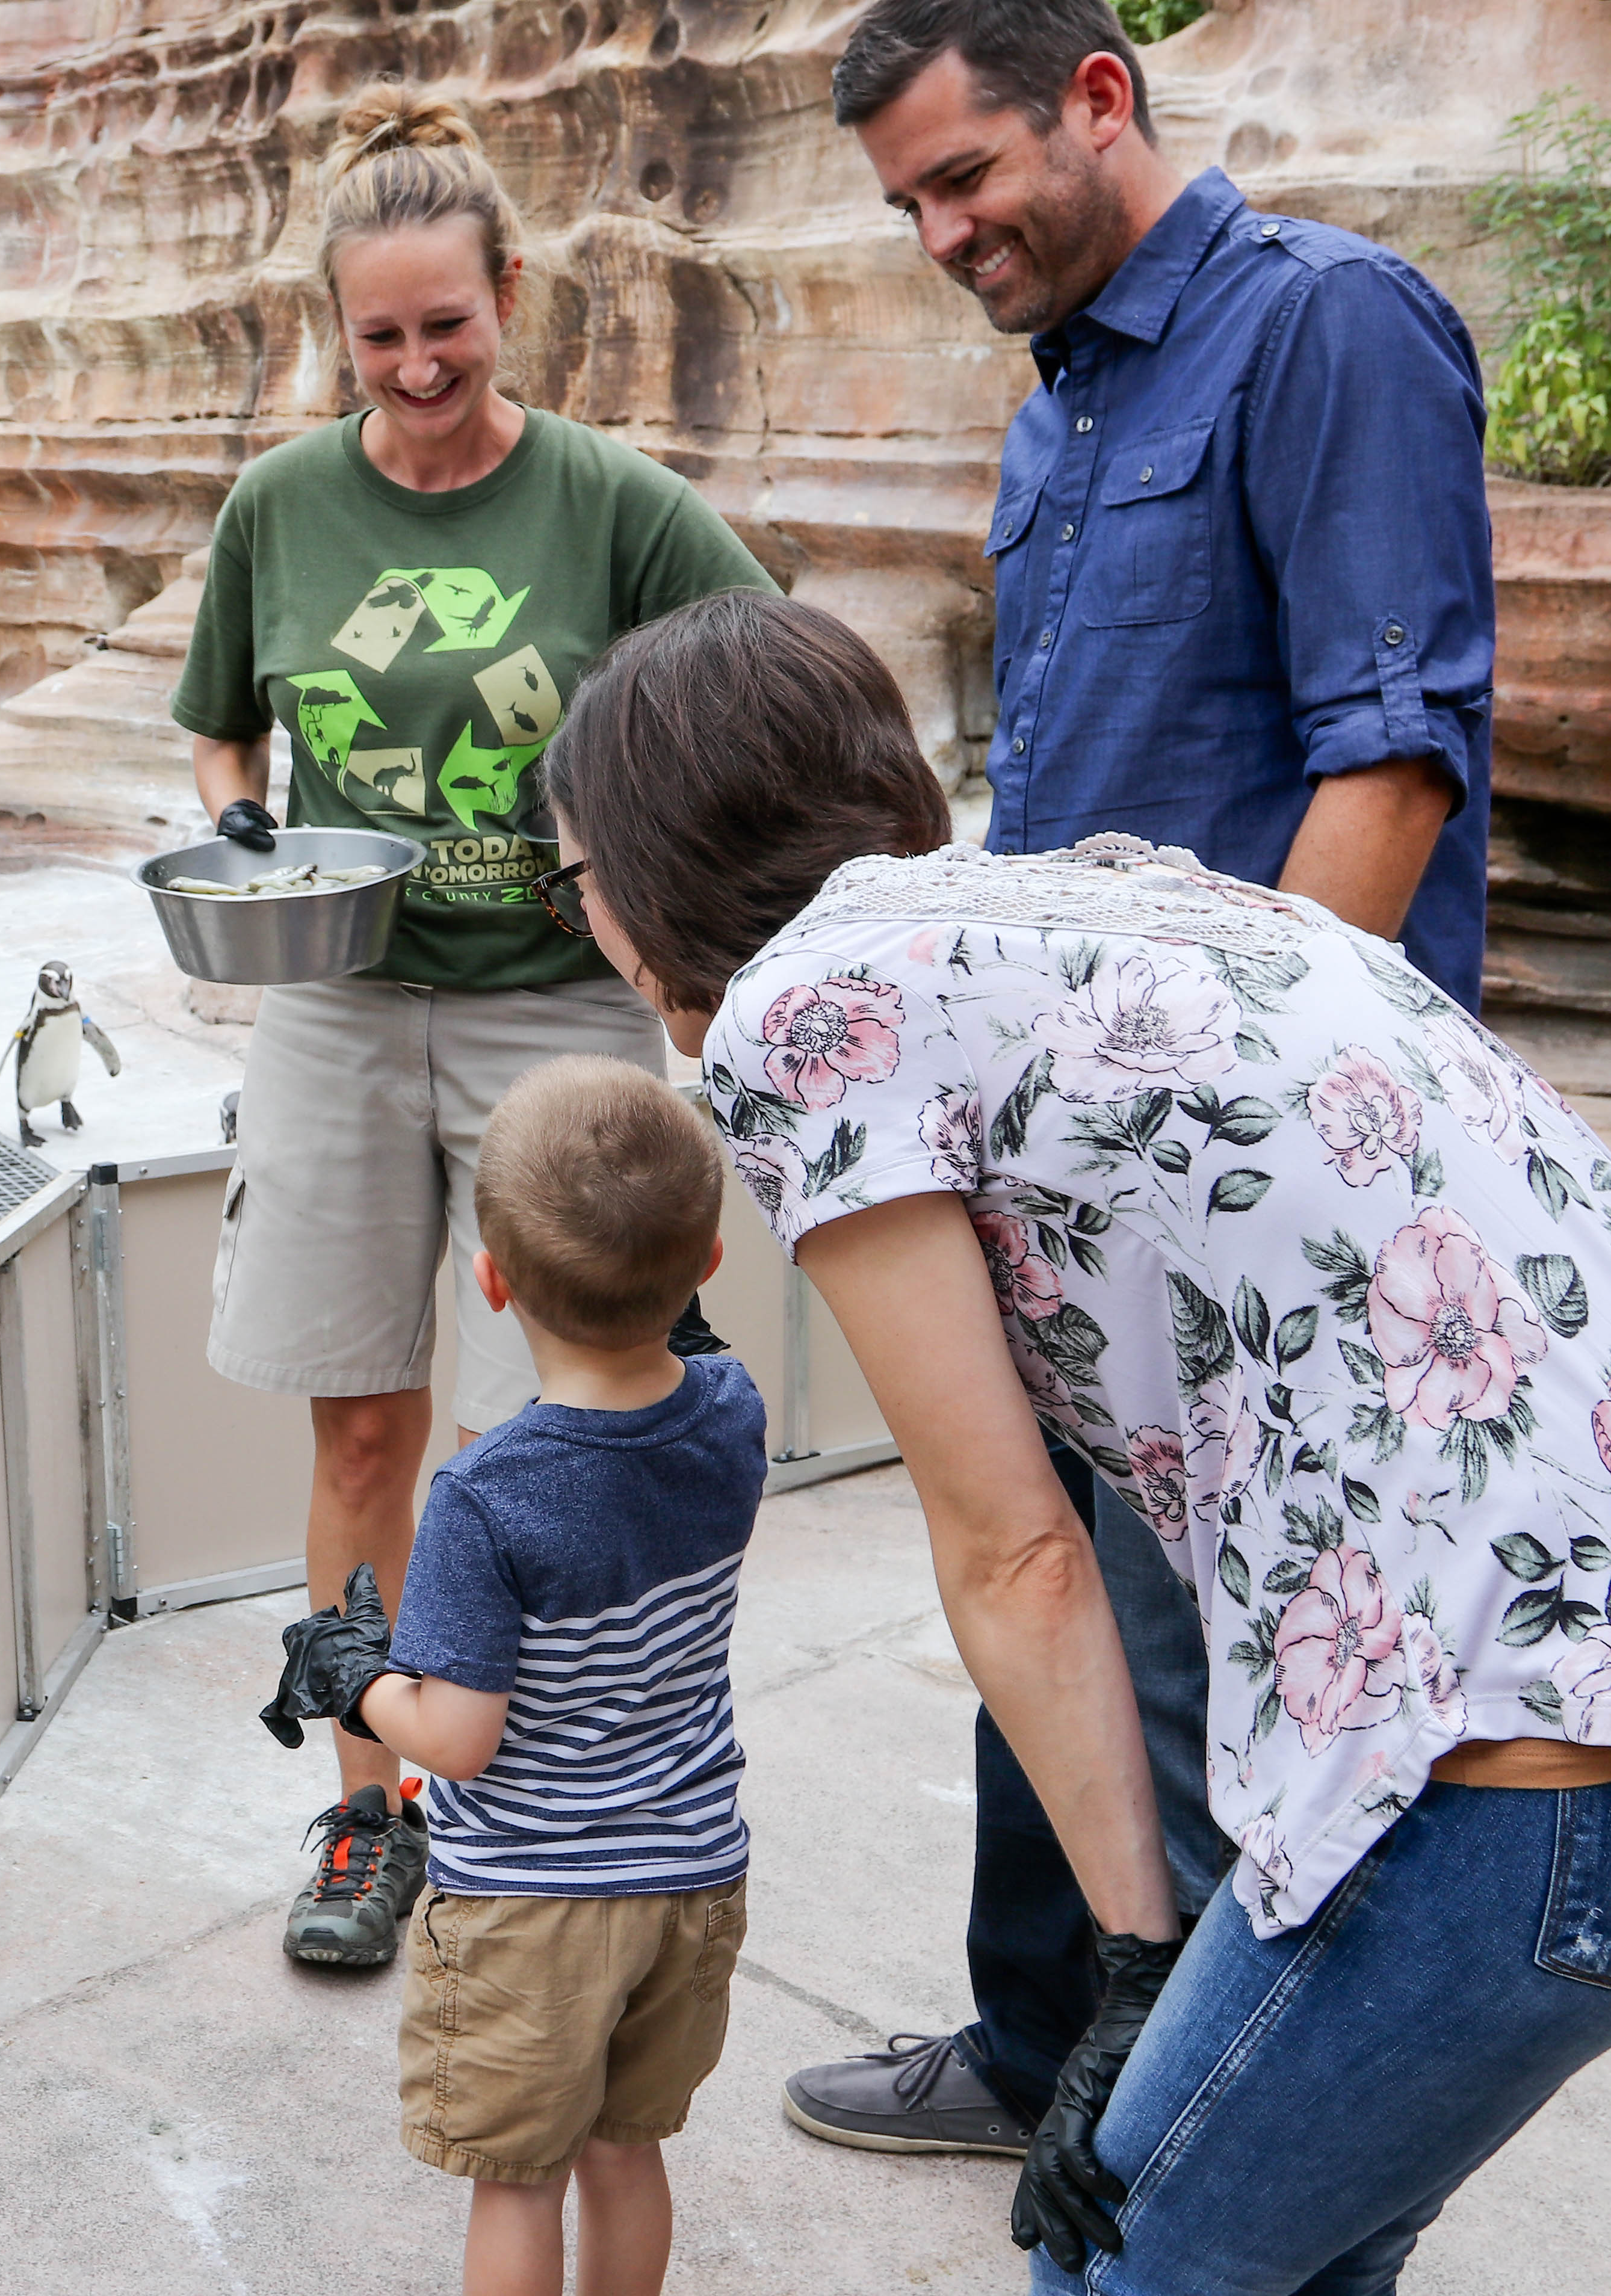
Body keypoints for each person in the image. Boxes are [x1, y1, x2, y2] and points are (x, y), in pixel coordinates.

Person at [540, 585, 1611, 2291]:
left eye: (571, 877)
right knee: (1308, 2255)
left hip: (1503, 1756)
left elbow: (1013, 1549)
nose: (580, 919)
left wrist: (1125, 1963)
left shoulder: (805, 1012)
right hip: (1544, 1719)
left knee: (1121, 2263)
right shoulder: (1114, 895)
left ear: (648, 866)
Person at [784, 0, 1498, 2160]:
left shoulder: (1328, 329)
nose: (937, 233)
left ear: (1098, 98)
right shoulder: (1055, 415)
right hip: (1064, 1167)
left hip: (1237, 1181)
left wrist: (1211, 1163)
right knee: (1050, 1599)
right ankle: (1034, 2047)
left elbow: (1381, 772)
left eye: (963, 177)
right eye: (905, 200)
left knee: (1211, 1690)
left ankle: (1178, 2140)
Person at [172, 81, 776, 1967]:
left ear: (510, 294)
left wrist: (669, 879)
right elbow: (220, 732)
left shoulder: (609, 502)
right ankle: (369, 1813)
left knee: (565, 1428)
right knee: (366, 1430)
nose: (418, 365)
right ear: (333, 331)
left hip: (559, 1017)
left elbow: (764, 679)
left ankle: (551, 1799)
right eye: (380, 336)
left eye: (448, 325)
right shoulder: (279, 502)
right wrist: (234, 828)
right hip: (341, 1006)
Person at [258, 1054, 765, 2296]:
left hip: (535, 1904)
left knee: (519, 2182)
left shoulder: (487, 1499)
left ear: (488, 1285)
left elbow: (459, 1737)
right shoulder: (734, 1409)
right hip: (693, 1881)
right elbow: (688, 1345)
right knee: (625, 2155)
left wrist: (353, 1672)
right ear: (706, 1264)